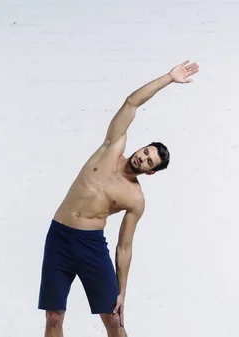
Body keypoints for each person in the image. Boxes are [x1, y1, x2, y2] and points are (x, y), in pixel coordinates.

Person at [38, 60, 200, 337]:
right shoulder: (112, 147)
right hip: (59, 237)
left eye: (149, 161)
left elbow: (124, 247)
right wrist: (169, 78)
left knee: (114, 321)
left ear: (151, 172)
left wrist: (122, 292)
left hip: (90, 246)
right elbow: (131, 104)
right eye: (146, 151)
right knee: (54, 316)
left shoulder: (135, 199)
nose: (143, 157)